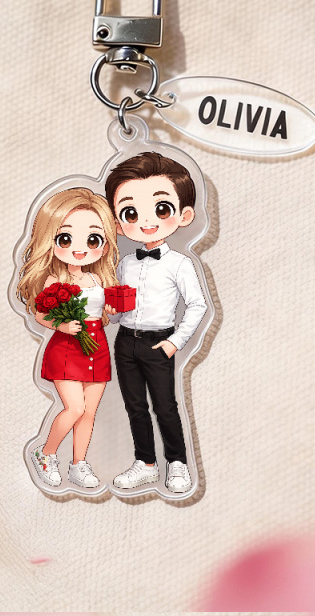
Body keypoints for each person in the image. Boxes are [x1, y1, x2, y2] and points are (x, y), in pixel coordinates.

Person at [105, 152, 207, 494]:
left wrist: (175, 341)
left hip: (158, 341)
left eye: (161, 209)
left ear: (184, 215)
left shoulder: (179, 264)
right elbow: (119, 307)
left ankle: (177, 464)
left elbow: (198, 304)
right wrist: (109, 310)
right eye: (131, 213)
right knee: (135, 406)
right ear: (118, 223)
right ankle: (145, 463)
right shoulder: (125, 263)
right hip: (125, 341)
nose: (146, 221)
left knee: (165, 406)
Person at [17, 187, 119, 489]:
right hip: (67, 348)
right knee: (74, 408)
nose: (80, 249)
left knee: (89, 413)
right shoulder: (54, 280)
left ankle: (79, 463)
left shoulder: (97, 278)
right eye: (65, 238)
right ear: (51, 240)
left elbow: (102, 311)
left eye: (93, 239)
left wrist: (110, 310)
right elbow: (41, 314)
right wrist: (61, 326)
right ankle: (45, 453)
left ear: (104, 244)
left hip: (96, 345)